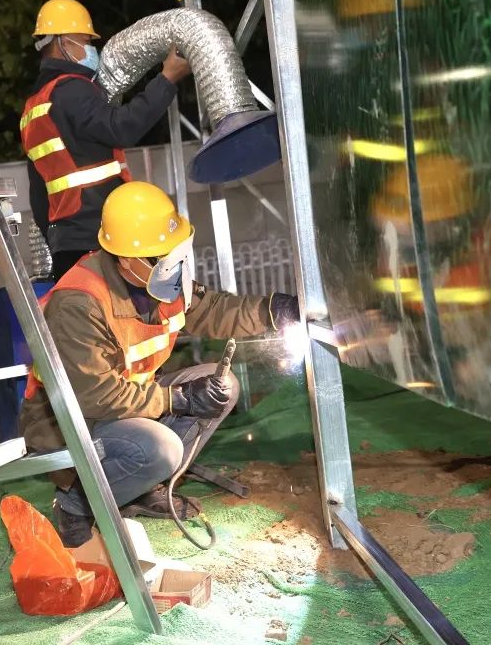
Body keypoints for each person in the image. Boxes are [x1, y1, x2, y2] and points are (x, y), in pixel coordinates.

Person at [19, 182, 300, 546]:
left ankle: (141, 487)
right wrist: (177, 399)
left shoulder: (159, 282)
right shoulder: (79, 303)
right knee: (161, 448)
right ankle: (75, 505)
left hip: (128, 403)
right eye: (159, 255)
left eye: (173, 250)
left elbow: (214, 310)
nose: (173, 262)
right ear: (124, 258)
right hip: (69, 421)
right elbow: (95, 396)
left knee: (222, 384)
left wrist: (273, 311)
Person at [21, 0, 191, 280]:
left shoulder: (32, 108)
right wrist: (167, 79)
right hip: (99, 238)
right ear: (61, 41)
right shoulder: (71, 90)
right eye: (85, 41)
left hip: (67, 247)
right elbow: (121, 128)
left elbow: (39, 195)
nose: (91, 49)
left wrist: (59, 240)